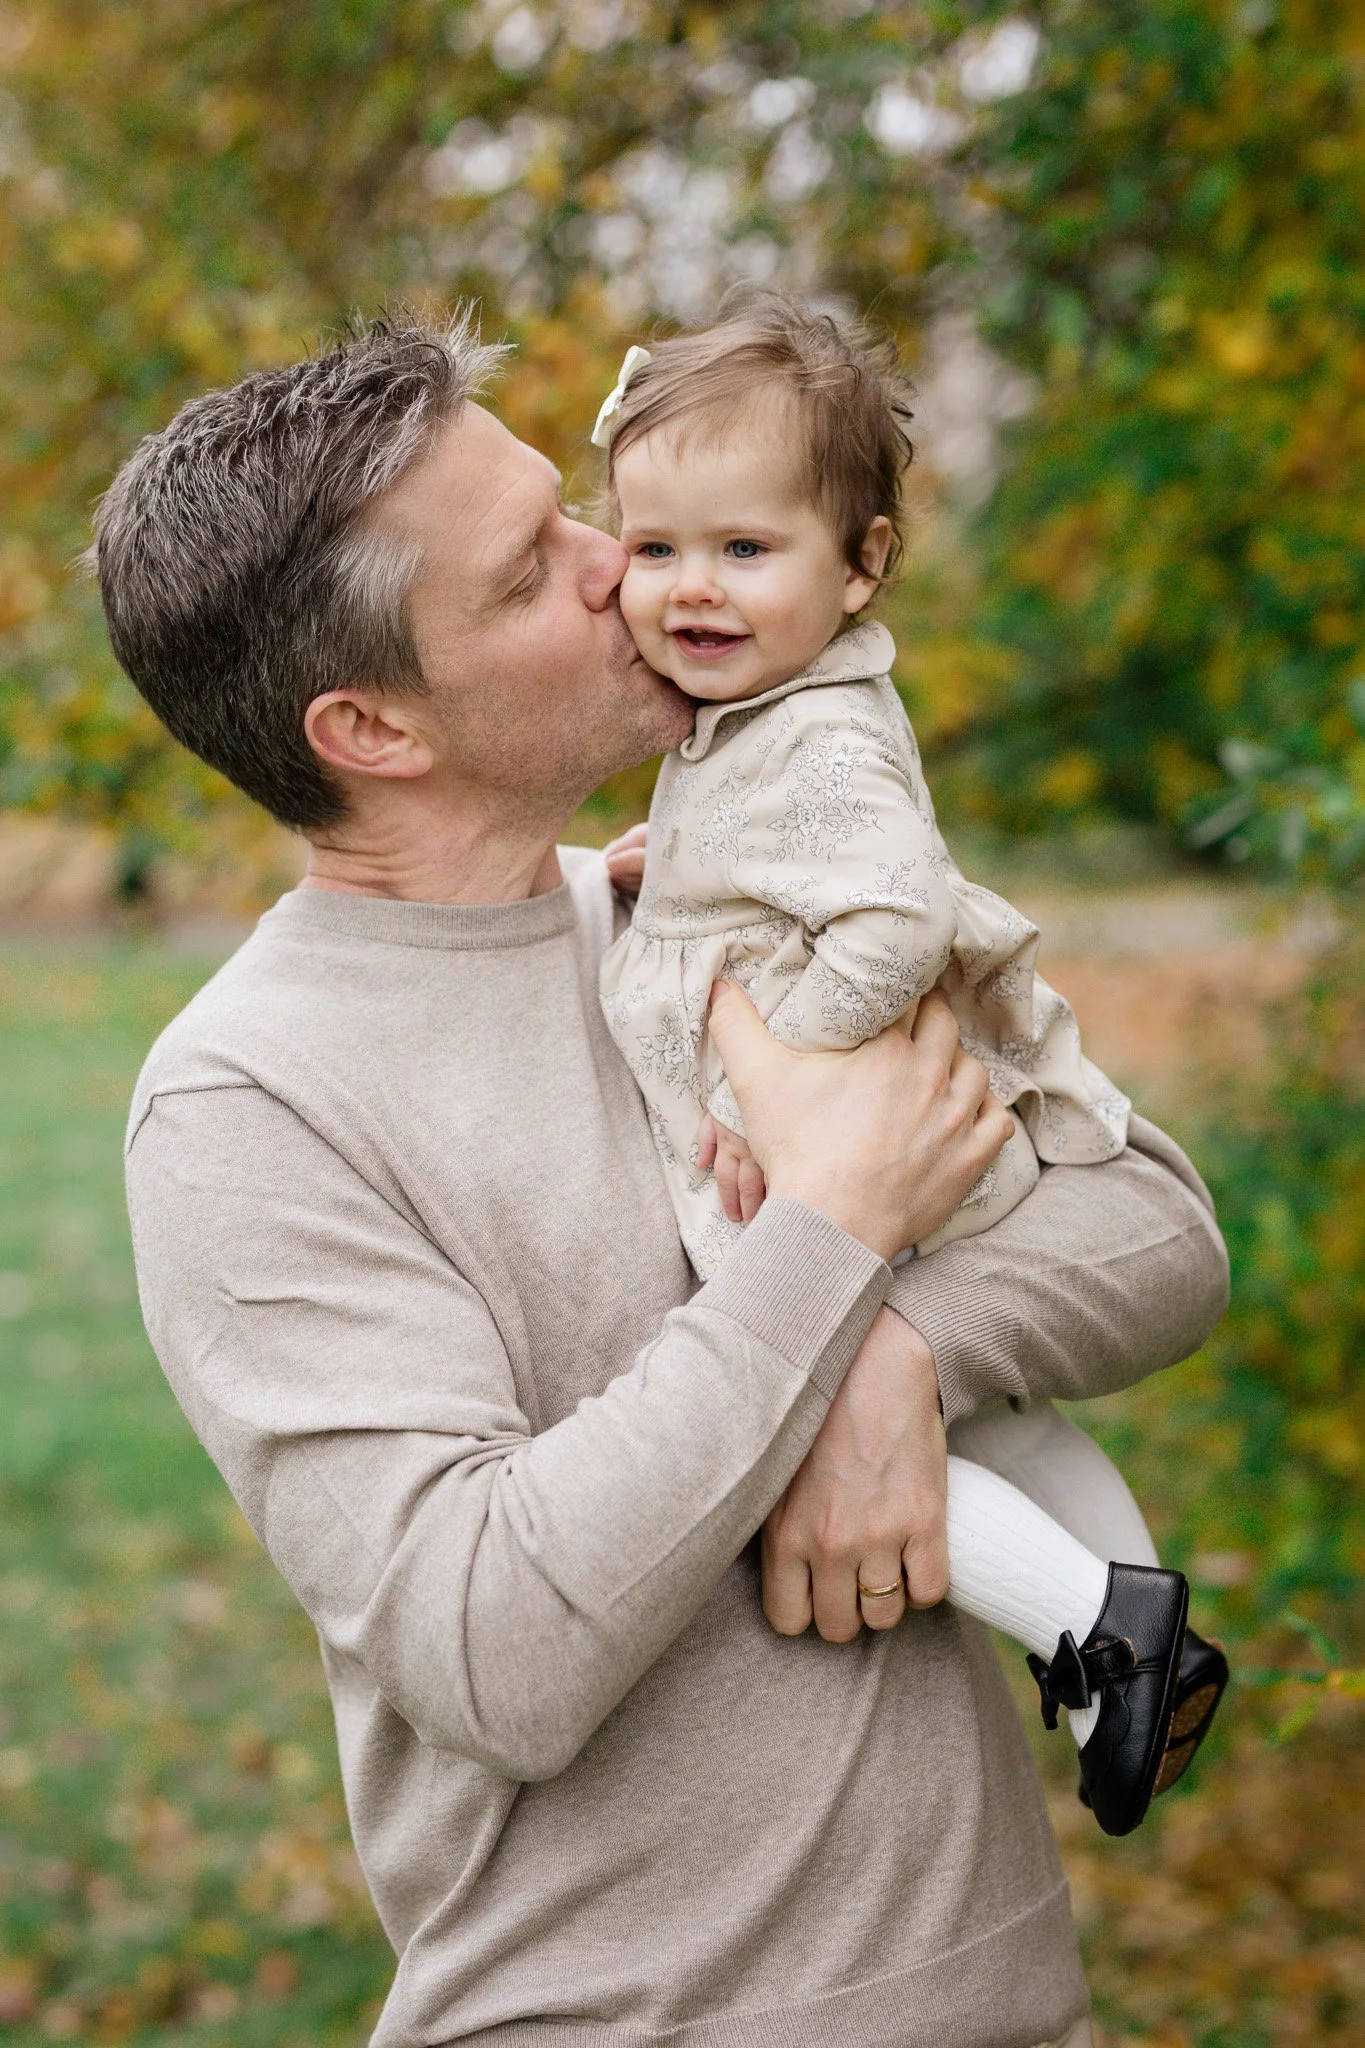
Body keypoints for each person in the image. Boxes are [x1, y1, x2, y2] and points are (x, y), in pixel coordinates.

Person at [95, 310, 1229, 2048]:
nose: (621, 563)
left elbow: (1157, 1225)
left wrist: (889, 1354)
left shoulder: (704, 907)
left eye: (572, 509)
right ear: (373, 727)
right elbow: (496, 1654)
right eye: (533, 569)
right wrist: (830, 1239)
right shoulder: (249, 1103)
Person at [594, 298, 1228, 1835]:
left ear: (863, 563)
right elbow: (773, 873)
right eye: (656, 548)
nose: (692, 590)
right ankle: (1135, 1650)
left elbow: (891, 912)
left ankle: (1091, 1629)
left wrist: (787, 1093)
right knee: (988, 1412)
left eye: (747, 551)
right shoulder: (762, 717)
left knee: (807, 1406)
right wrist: (666, 881)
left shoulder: (817, 736)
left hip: (859, 1142)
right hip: (885, 1132)